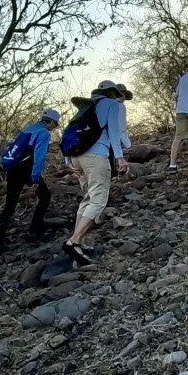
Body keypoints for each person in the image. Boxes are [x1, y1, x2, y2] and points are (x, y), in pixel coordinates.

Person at [62, 81, 128, 266]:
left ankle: (79, 244)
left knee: (88, 199)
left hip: (77, 157)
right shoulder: (112, 104)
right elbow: (114, 132)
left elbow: (68, 132)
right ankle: (74, 240)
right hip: (96, 156)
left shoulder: (85, 107)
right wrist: (120, 157)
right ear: (111, 93)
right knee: (98, 200)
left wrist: (68, 161)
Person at [0, 109, 60, 258]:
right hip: (27, 170)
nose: (54, 128)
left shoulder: (28, 128)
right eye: (55, 125)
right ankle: (34, 231)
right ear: (51, 122)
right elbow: (39, 157)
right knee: (45, 196)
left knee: (10, 205)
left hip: (13, 170)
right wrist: (35, 179)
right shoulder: (43, 133)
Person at [116, 83, 133, 150]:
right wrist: (128, 144)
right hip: (115, 137)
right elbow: (121, 126)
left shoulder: (107, 104)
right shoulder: (120, 106)